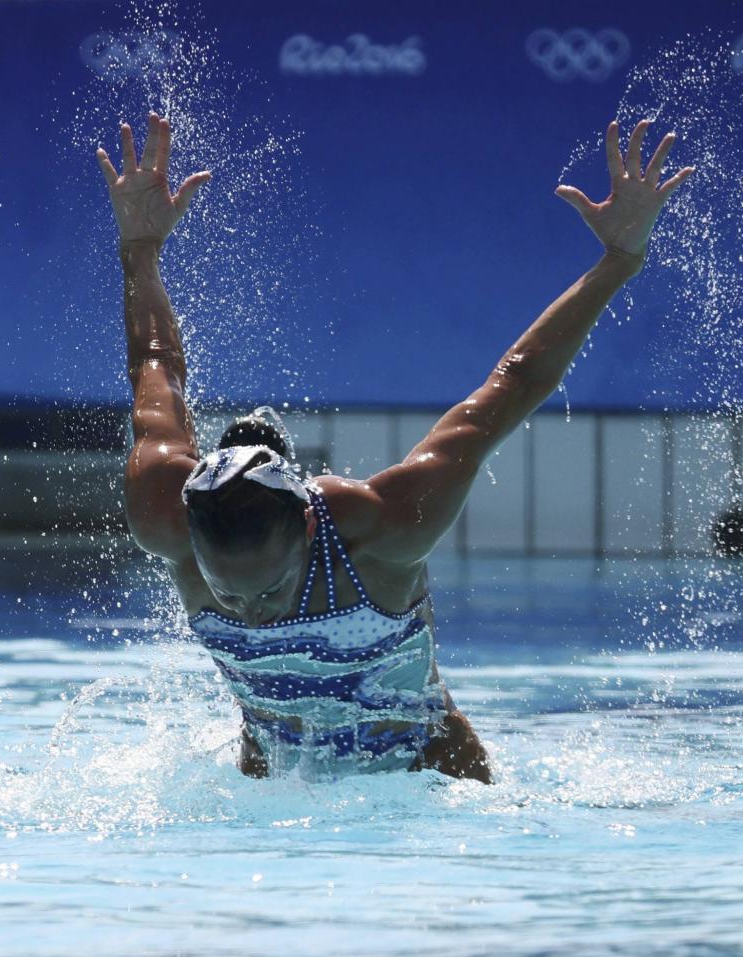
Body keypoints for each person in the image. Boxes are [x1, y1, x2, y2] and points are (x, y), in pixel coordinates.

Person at [98, 113, 694, 782]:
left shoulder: (388, 526)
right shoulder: (164, 517)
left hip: (432, 775)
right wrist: (140, 248)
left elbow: (513, 386)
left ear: (305, 524)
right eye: (228, 598)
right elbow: (154, 363)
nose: (254, 616)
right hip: (273, 783)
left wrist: (618, 263)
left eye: (265, 592)